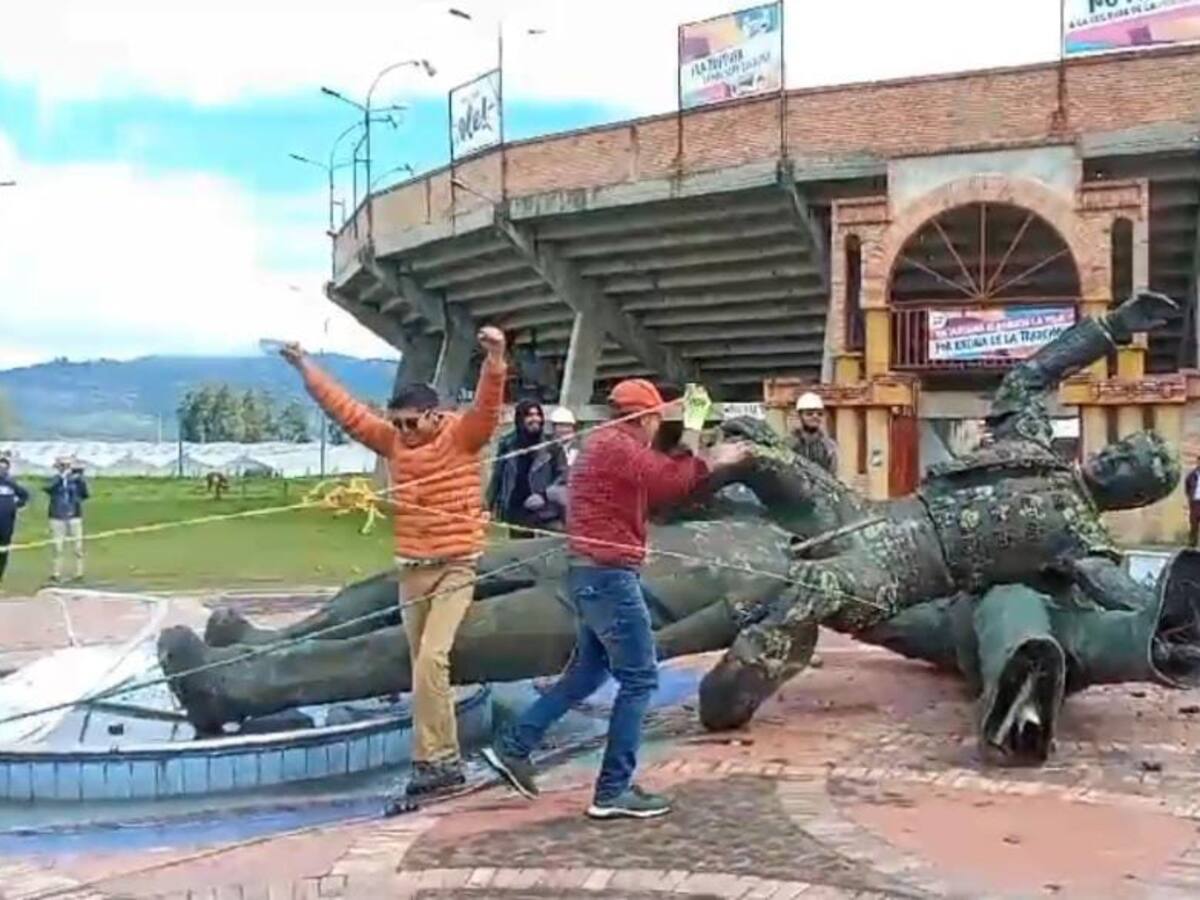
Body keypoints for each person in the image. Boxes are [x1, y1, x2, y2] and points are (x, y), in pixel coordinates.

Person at [481, 379, 750, 820]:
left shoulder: (606, 444)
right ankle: (612, 790)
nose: (655, 428)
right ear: (644, 417)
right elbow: (673, 482)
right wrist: (702, 441)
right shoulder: (620, 448)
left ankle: (513, 746)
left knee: (586, 676)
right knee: (640, 679)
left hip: (592, 574)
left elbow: (656, 483)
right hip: (608, 577)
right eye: (655, 420)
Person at [280, 326, 507, 798]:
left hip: (456, 567)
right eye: (396, 423)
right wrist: (305, 366)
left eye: (410, 423)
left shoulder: (463, 436)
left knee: (431, 661)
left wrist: (496, 358)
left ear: (435, 415)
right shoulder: (394, 442)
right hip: (412, 570)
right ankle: (440, 756)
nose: (401, 432)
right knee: (420, 668)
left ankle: (437, 762)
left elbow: (487, 406)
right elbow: (345, 411)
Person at [487, 400, 567, 536]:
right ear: (520, 418)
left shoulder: (552, 446)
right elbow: (498, 476)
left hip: (545, 511)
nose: (535, 419)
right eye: (529, 415)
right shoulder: (507, 444)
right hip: (515, 510)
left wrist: (544, 495)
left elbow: (564, 477)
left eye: (538, 414)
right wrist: (487, 506)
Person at [45, 457, 88, 583]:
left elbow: (85, 494)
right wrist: (61, 478)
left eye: (66, 466)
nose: (64, 468)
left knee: (77, 546)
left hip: (74, 515)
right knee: (57, 546)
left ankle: (79, 572)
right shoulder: (55, 479)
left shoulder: (76, 480)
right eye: (62, 466)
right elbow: (48, 488)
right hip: (57, 516)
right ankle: (56, 573)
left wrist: (79, 481)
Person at [0, 453, 30, 587]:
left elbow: (24, 496)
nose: (2, 471)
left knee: (3, 551)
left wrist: (15, 506)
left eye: (4, 469)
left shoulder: (11, 484)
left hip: (6, 523)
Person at [791, 392, 838, 475]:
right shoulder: (789, 444)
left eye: (819, 414)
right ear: (800, 416)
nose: (815, 416)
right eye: (809, 414)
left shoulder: (829, 446)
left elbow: (832, 473)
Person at [1187, 458, 1200, 548]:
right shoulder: (1192, 475)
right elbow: (1187, 486)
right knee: (1194, 524)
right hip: (1195, 502)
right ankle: (1192, 545)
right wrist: (1190, 497)